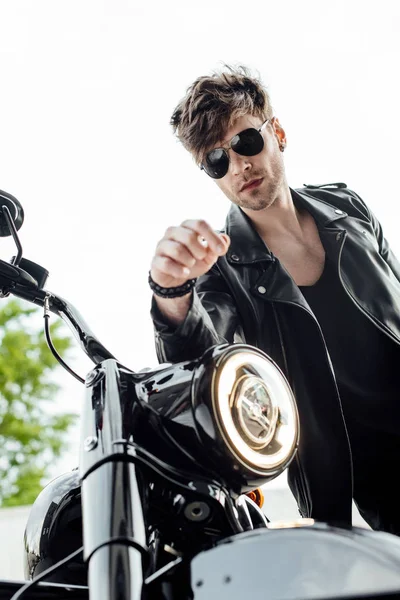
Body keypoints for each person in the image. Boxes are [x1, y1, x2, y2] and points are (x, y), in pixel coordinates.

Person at [149, 65, 400, 534]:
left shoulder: (349, 208)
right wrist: (171, 292)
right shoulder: (219, 271)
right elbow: (203, 366)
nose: (239, 165)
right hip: (373, 482)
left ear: (277, 132)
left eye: (245, 142)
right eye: (217, 160)